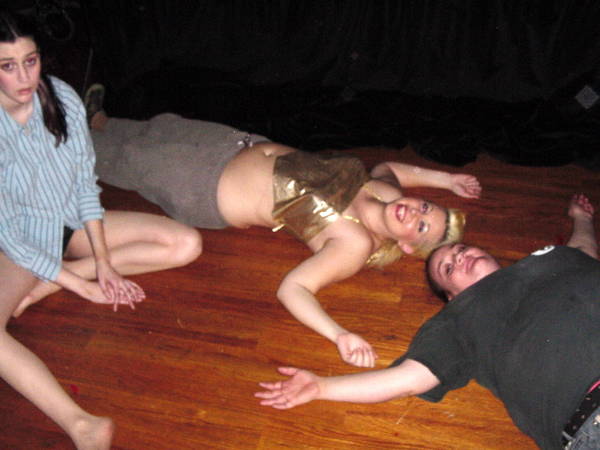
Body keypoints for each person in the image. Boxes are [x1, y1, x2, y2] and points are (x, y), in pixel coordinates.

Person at [87, 103, 481, 368]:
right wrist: (446, 179)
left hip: (203, 183)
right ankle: (99, 121)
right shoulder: (387, 193)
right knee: (160, 128)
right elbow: (391, 167)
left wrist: (339, 335)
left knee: (119, 158)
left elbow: (294, 288)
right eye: (425, 206)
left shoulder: (355, 244)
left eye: (421, 226)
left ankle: (59, 136)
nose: (415, 212)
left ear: (407, 246)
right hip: (233, 143)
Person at [0, 9, 202, 449]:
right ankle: (82, 425)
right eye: (8, 66)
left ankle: (46, 286)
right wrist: (82, 286)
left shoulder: (61, 97)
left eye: (31, 61)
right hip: (16, 245)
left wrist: (105, 263)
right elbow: (10, 236)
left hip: (68, 223)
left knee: (187, 243)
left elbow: (83, 185)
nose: (25, 77)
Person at [256, 193, 600, 450]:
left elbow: (583, 252)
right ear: (452, 296)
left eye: (460, 250)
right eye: (448, 269)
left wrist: (581, 219)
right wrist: (321, 387)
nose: (459, 258)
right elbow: (405, 380)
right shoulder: (459, 319)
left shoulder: (551, 258)